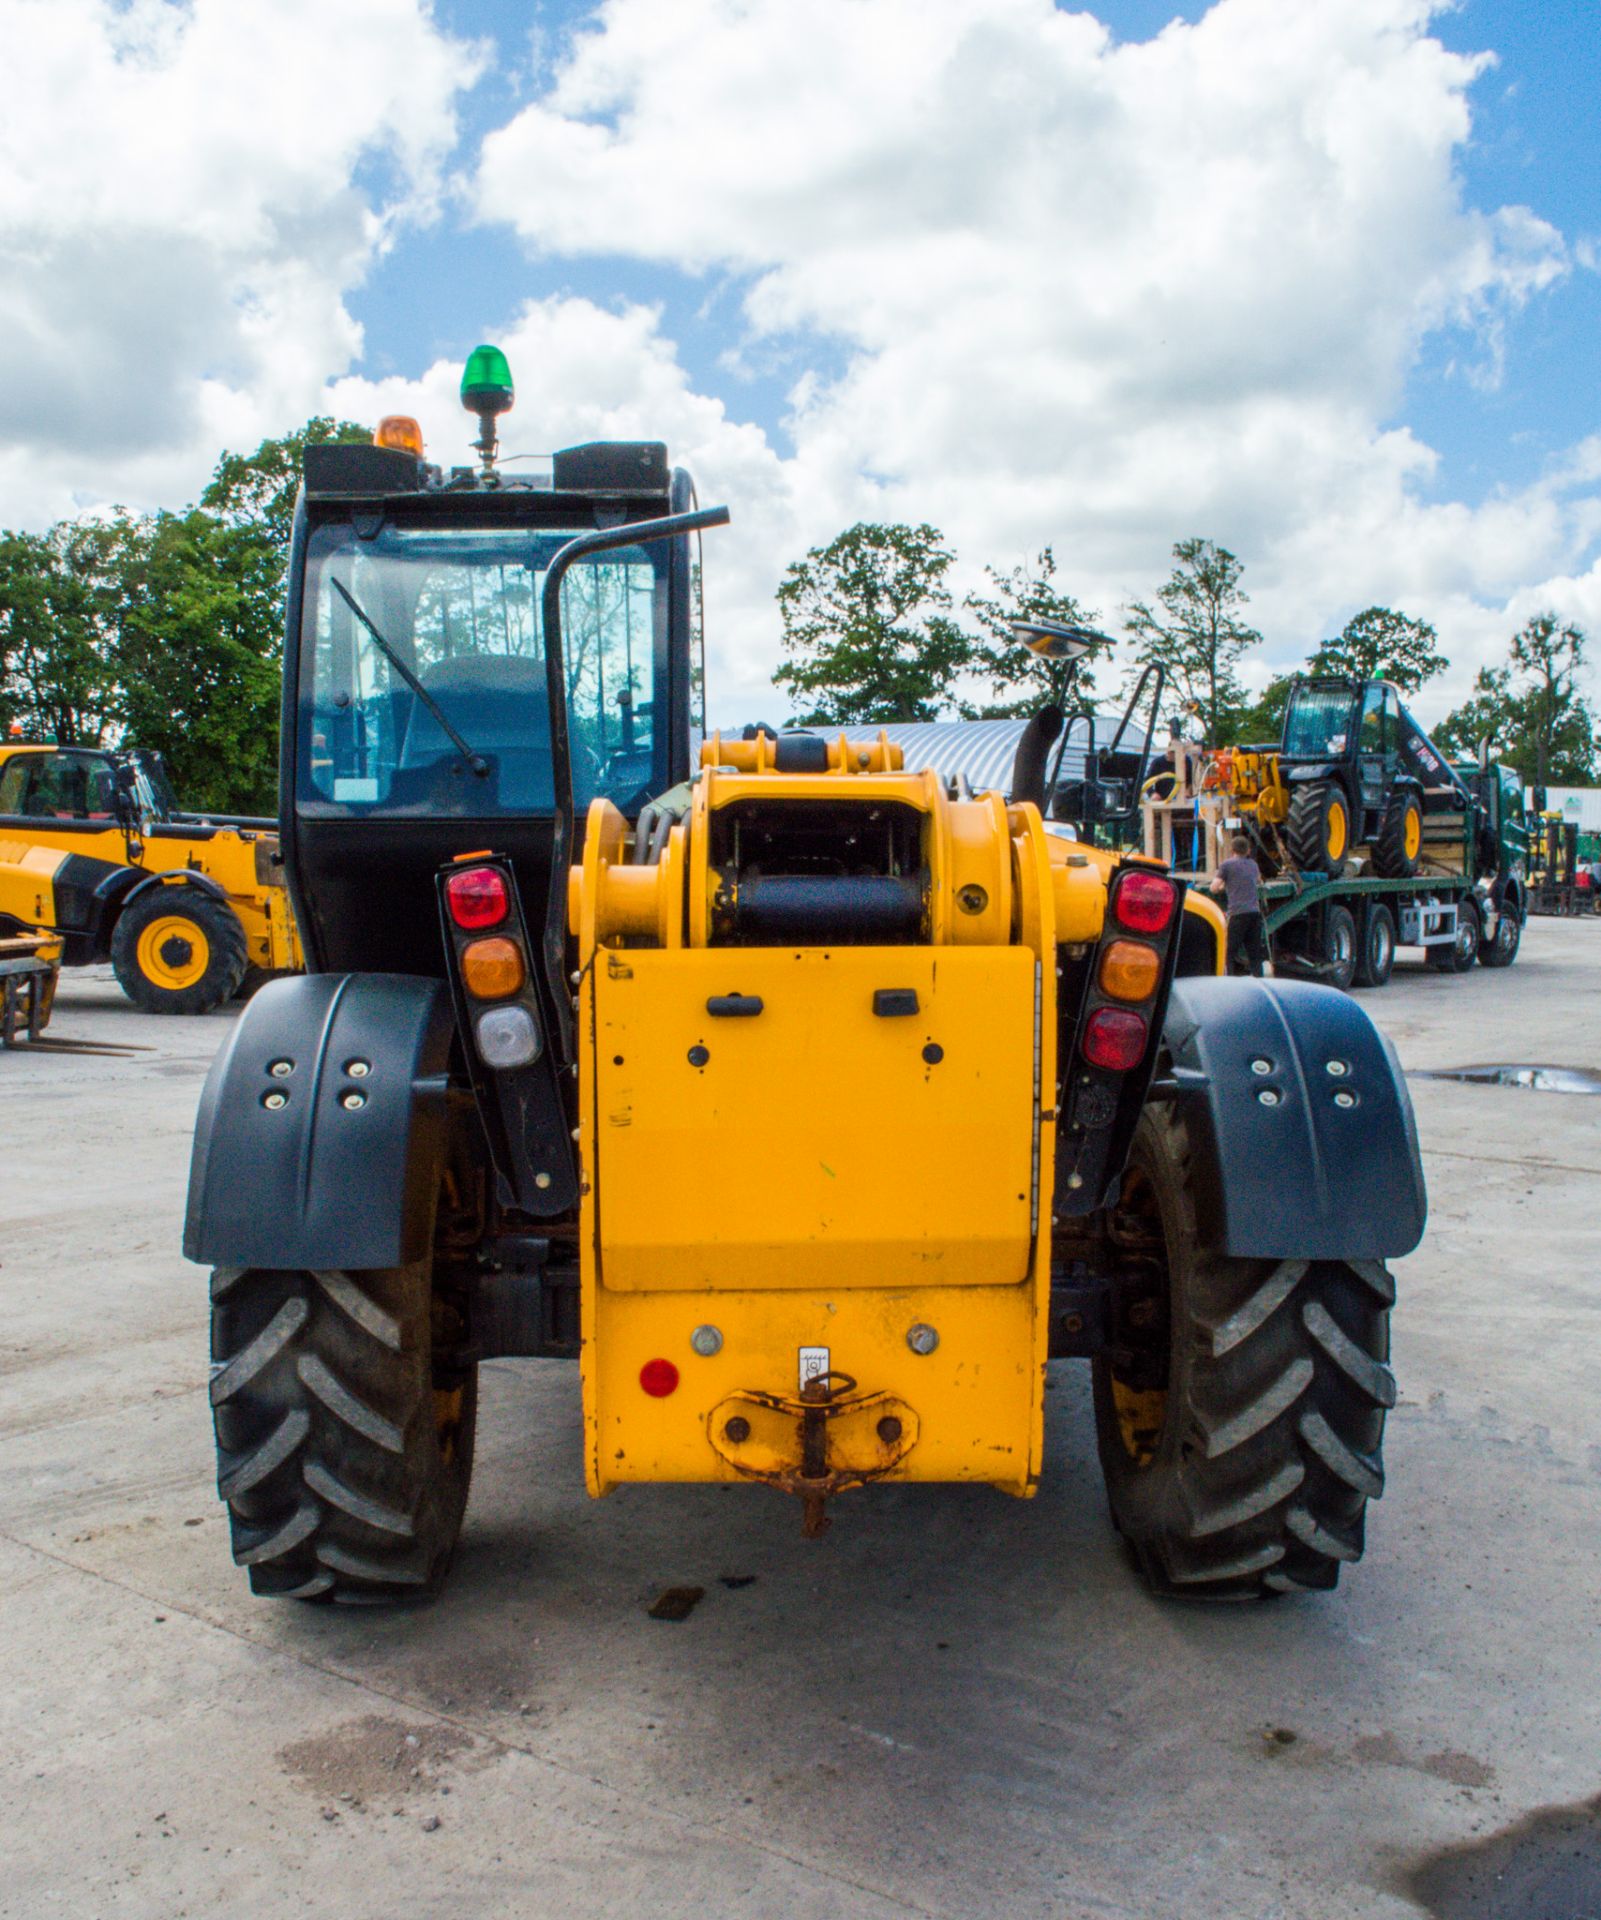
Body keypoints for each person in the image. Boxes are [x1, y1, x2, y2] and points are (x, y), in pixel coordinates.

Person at [1211, 833, 1267, 976]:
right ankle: (1259, 980)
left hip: (1237, 915)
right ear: (1248, 851)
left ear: (1232, 850)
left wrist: (1225, 885)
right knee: (1254, 953)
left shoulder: (1226, 865)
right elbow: (1259, 881)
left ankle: (1229, 981)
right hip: (1254, 914)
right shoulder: (1253, 865)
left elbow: (1214, 888)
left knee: (1229, 952)